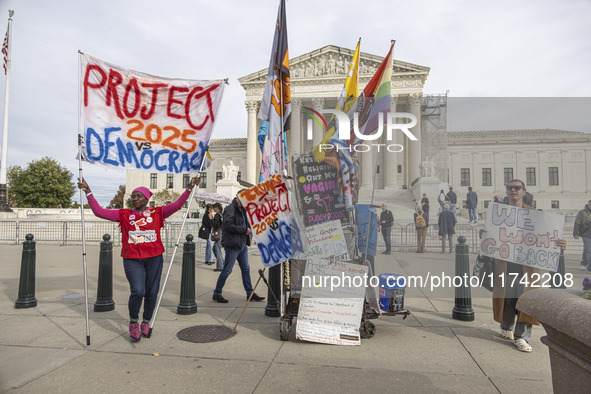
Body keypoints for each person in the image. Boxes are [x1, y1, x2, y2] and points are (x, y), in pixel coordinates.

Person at [77, 175, 200, 342]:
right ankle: (134, 321)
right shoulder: (124, 214)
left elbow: (177, 205)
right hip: (132, 258)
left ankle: (146, 321)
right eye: (133, 196)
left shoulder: (158, 213)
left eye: (138, 196)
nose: (134, 198)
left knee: (151, 293)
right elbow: (99, 212)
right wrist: (88, 192)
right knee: (138, 291)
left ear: (146, 199)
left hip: (154, 258)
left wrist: (189, 188)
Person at [484, 179, 566, 353]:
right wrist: (484, 235)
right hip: (506, 262)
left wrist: (558, 243)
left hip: (527, 264)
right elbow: (491, 236)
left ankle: (522, 337)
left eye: (517, 188)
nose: (513, 190)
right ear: (506, 192)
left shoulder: (535, 214)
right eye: (510, 188)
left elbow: (547, 237)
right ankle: (506, 327)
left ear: (524, 192)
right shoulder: (498, 214)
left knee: (526, 300)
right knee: (507, 298)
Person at [212, 190, 265, 303]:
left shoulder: (242, 209)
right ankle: (217, 293)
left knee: (246, 269)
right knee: (227, 270)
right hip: (233, 244)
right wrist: (244, 230)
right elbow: (228, 225)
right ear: (239, 198)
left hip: (242, 244)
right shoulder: (230, 209)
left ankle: (249, 293)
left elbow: (244, 223)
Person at [573, 200, 591, 273]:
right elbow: (577, 223)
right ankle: (589, 268)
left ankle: (583, 263)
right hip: (586, 233)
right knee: (589, 250)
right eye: (590, 205)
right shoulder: (582, 212)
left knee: (586, 249)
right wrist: (575, 233)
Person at [211, 202, 224, 272]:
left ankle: (220, 266)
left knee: (217, 249)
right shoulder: (222, 214)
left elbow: (215, 225)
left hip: (218, 233)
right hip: (222, 233)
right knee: (216, 248)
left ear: (217, 208)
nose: (213, 209)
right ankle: (222, 262)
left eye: (214, 207)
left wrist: (211, 219)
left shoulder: (217, 215)